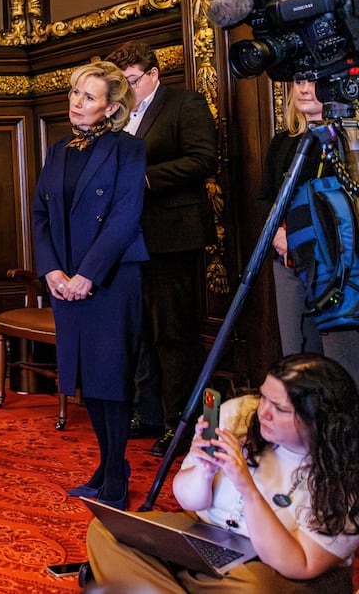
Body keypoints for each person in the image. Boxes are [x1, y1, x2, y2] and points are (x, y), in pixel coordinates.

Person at [86, 353, 359, 593]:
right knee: (109, 531)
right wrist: (204, 471)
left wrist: (248, 489)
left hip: (271, 569)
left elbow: (301, 566)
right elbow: (189, 501)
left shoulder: (346, 475)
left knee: (254, 588)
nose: (263, 412)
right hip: (205, 539)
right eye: (264, 396)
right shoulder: (239, 414)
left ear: (320, 420)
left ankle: (150, 587)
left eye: (280, 408)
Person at [32, 61, 148, 509]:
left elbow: (124, 217)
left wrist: (88, 275)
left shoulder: (128, 150)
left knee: (112, 377)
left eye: (87, 97)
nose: (76, 103)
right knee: (89, 380)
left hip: (111, 278)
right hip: (66, 281)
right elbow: (41, 214)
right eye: (74, 93)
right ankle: (109, 466)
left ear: (111, 107)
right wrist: (52, 271)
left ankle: (115, 474)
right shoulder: (60, 149)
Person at [106, 41, 218, 456]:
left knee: (174, 333)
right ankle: (147, 411)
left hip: (172, 236)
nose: (126, 89)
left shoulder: (183, 104)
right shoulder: (117, 114)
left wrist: (145, 179)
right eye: (119, 83)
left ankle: (181, 424)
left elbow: (204, 159)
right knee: (140, 333)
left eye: (131, 81)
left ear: (153, 75)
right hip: (129, 240)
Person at [259, 79, 359, 387]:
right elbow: (267, 196)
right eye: (299, 82)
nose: (304, 89)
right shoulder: (283, 141)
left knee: (341, 360)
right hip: (288, 259)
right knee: (299, 357)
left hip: (339, 265)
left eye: (315, 83)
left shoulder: (348, 141)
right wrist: (278, 234)